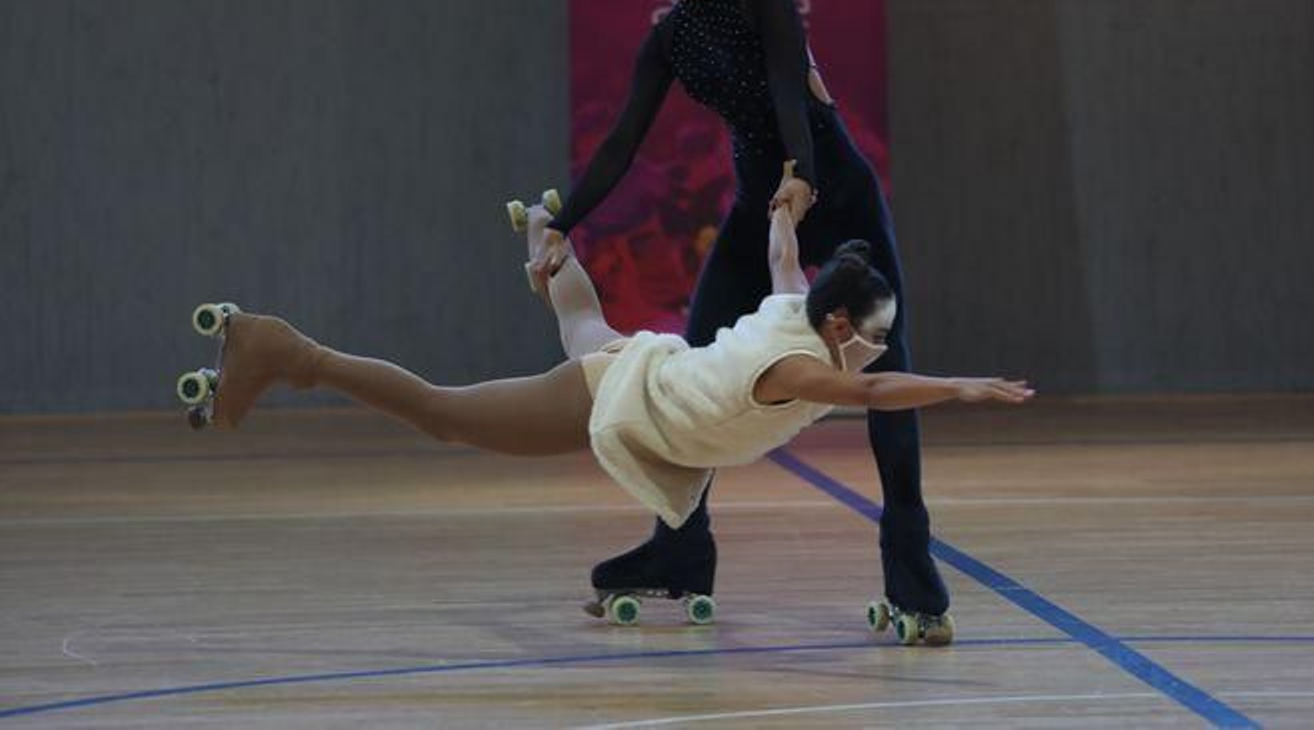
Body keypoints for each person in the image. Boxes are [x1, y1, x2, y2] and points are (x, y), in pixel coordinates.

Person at [199, 195, 1032, 638]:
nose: (881, 353)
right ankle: (286, 353)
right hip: (618, 395)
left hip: (646, 364)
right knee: (444, 415)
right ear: (843, 326)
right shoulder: (799, 368)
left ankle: (542, 227)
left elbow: (783, 247)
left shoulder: (794, 306)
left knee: (579, 326)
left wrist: (788, 196)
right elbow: (877, 394)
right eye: (877, 338)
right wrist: (957, 386)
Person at [529, 0, 952, 626]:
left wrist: (801, 176)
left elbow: (790, 88)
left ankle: (912, 577)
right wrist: (568, 223)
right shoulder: (669, 41)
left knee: (888, 367)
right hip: (764, 209)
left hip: (836, 192)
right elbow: (623, 141)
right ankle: (681, 547)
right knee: (688, 372)